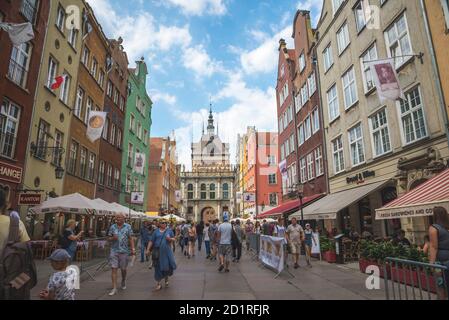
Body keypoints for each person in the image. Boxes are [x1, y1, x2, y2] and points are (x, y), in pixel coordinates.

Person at [0, 189, 34, 300]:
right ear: (6, 204)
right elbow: (28, 258)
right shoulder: (15, 224)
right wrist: (16, 287)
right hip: (8, 282)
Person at [107, 213, 136, 296]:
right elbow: (108, 238)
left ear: (124, 218)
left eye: (120, 217)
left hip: (124, 251)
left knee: (123, 269)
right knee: (114, 269)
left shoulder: (128, 227)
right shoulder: (112, 227)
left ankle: (123, 280)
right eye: (117, 217)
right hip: (114, 250)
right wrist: (112, 238)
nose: (118, 219)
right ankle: (114, 288)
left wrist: (133, 249)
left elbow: (131, 238)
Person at [146, 220, 177, 291]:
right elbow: (151, 241)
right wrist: (148, 249)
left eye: (165, 223)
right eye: (162, 222)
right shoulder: (156, 231)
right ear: (159, 224)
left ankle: (166, 279)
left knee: (166, 266)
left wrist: (170, 239)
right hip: (157, 251)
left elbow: (174, 238)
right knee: (157, 266)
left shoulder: (169, 231)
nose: (164, 224)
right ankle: (158, 283)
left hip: (167, 252)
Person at [429, 206, 449, 300]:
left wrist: (431, 263)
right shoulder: (447, 227)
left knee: (440, 286)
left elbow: (434, 246)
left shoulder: (433, 228)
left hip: (440, 263)